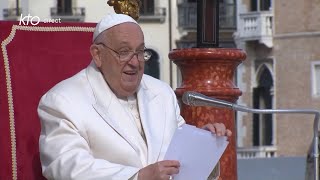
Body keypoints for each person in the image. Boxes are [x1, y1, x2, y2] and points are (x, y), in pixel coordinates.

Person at [38, 13, 232, 180]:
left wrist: (203, 146)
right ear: (97, 54)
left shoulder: (161, 92)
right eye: (124, 52)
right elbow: (65, 167)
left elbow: (178, 161)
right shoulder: (63, 101)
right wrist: (138, 177)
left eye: (140, 52)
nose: (135, 62)